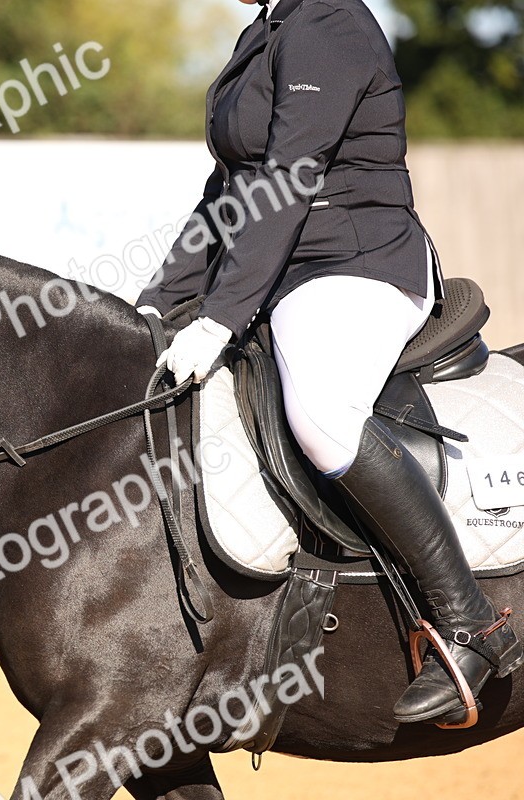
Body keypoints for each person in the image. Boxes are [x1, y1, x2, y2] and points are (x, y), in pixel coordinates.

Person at [135, 0, 522, 724]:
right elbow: (227, 192)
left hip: (357, 265)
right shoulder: (266, 30)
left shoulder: (331, 24)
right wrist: (156, 306)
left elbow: (289, 177)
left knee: (320, 417)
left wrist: (220, 316)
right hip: (280, 272)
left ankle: (469, 621)